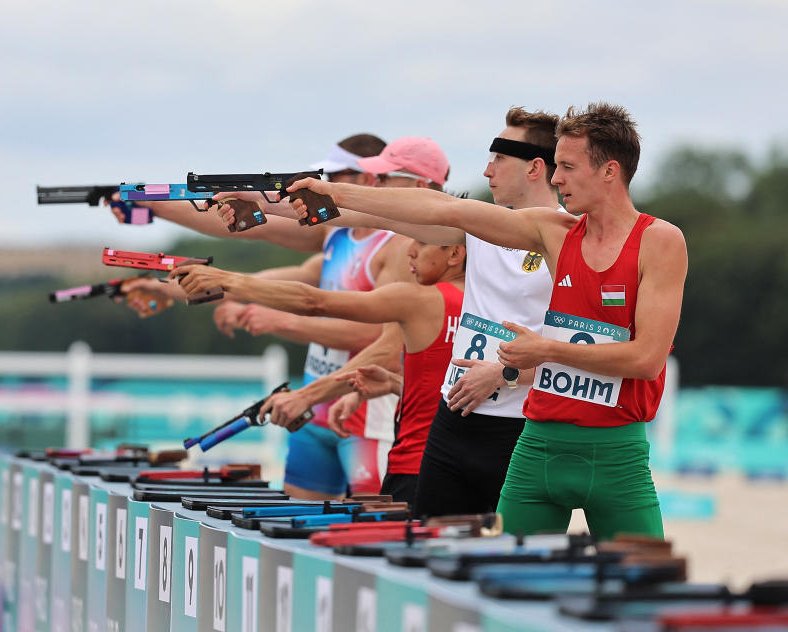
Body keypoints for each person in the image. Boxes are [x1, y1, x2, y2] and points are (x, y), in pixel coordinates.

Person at [286, 103, 687, 539]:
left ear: (610, 171)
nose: (557, 177)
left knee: (639, 587)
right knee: (471, 574)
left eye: (568, 167)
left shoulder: (659, 240)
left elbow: (647, 359)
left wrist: (534, 358)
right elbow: (442, 210)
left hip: (611, 449)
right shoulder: (551, 230)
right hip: (534, 443)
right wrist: (335, 194)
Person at [237, 108, 565, 518]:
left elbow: (585, 353)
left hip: (523, 427)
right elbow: (371, 214)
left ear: (535, 167)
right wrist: (258, 201)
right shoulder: (483, 226)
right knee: (423, 552)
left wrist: (507, 373)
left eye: (498, 159)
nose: (486, 171)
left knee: (508, 556)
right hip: (455, 419)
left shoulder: (571, 236)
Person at [113, 134, 420, 500]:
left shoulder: (397, 247)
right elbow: (251, 249)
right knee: (300, 534)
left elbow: (375, 338)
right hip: (312, 408)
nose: (326, 183)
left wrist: (280, 322)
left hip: (364, 415)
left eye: (338, 174)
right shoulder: (334, 235)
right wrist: (162, 263)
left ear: (369, 178)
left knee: (368, 535)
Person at [177, 237, 465, 504]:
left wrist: (229, 281)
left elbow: (315, 302)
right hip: (454, 461)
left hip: (407, 456)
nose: (410, 250)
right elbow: (455, 393)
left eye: (423, 240)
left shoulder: (417, 296)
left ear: (455, 253)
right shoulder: (489, 301)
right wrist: (393, 384)